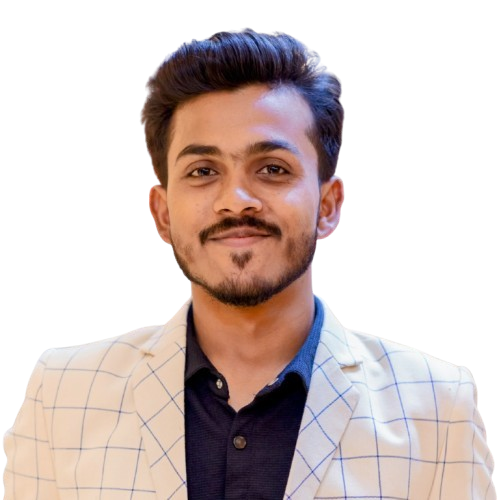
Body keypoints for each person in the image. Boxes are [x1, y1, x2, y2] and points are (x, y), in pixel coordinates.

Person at [3, 28, 495, 500]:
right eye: (203, 171)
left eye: (273, 169)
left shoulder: (437, 407)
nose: (236, 201)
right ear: (163, 213)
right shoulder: (62, 393)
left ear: (328, 206)